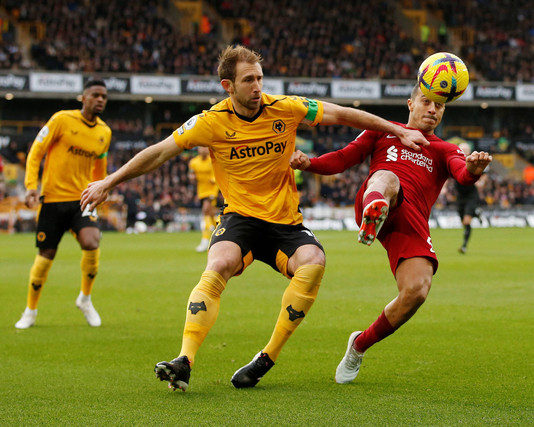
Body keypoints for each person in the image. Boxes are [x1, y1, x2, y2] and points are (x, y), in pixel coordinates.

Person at [80, 45, 427, 391]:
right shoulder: (210, 122)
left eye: (260, 78)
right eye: (248, 80)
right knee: (218, 265)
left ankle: (268, 356)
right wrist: (109, 181)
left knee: (314, 262)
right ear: (227, 86)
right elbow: (159, 152)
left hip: (285, 222)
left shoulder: (287, 108)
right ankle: (184, 361)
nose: (257, 87)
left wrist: (396, 130)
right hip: (240, 218)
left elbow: (344, 115)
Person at [290, 84, 492, 384]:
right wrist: (311, 164)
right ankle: (374, 213)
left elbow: (462, 176)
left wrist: (474, 170)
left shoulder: (445, 149)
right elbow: (345, 158)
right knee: (388, 177)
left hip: (411, 221)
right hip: (378, 194)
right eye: (426, 102)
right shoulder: (383, 131)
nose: (432, 110)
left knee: (417, 291)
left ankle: (359, 345)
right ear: (410, 104)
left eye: (439, 106)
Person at [15, 79, 111, 329]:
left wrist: (101, 188)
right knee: (46, 254)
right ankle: (31, 310)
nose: (100, 99)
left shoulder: (104, 132)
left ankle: (85, 298)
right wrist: (30, 187)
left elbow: (100, 168)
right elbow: (36, 152)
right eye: (96, 95)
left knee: (92, 242)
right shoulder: (61, 120)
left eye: (104, 96)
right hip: (53, 199)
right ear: (84, 98)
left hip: (82, 199)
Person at [453, 141, 487, 254]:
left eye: (465, 150)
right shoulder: (454, 161)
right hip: (460, 196)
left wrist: (480, 182)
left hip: (471, 195)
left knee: (467, 221)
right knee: (464, 221)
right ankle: (477, 213)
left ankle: (464, 246)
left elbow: (484, 173)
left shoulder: (474, 161)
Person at [188, 146, 220, 252]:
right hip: (201, 191)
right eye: (201, 148)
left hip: (212, 190)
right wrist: (192, 177)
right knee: (210, 214)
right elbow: (191, 174)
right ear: (198, 150)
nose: (203, 150)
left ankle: (205, 241)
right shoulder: (193, 162)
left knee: (205, 211)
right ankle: (218, 226)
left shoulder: (213, 160)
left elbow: (219, 172)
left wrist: (213, 179)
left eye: (205, 148)